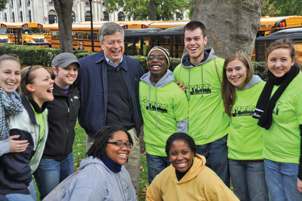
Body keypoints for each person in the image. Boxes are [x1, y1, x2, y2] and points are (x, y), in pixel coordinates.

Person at [77, 22, 144, 193]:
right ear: (102, 44)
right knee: (98, 184)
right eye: (111, 43)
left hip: (129, 135)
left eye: (119, 42)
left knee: (130, 183)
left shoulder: (134, 66)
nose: (116, 47)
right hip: (99, 135)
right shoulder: (85, 67)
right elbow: (67, 88)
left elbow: (151, 89)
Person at [173, 20, 230, 186]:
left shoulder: (221, 66)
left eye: (196, 38)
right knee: (195, 189)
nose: (192, 43)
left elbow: (243, 83)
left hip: (218, 140)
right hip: (192, 142)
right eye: (188, 39)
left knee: (219, 188)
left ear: (205, 40)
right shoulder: (178, 72)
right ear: (184, 42)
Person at [253, 38, 302, 200]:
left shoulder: (299, 86)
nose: (278, 64)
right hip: (270, 159)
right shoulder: (272, 83)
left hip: (293, 163)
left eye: (283, 60)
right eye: (273, 60)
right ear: (267, 61)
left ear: (293, 61)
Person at [0, 65, 54, 200]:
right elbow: (15, 158)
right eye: (46, 79)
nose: (52, 81)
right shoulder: (21, 115)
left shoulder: (42, 111)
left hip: (23, 173)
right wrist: (23, 181)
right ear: (31, 87)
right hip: (12, 179)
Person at [44, 124, 136, 201]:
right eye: (118, 143)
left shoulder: (121, 170)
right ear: (103, 145)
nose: (125, 148)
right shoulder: (92, 179)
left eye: (127, 144)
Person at [221, 52, 268, 201]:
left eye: (238, 69)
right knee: (239, 198)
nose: (234, 74)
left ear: (247, 69)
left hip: (257, 158)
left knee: (258, 198)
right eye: (229, 70)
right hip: (234, 157)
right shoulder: (228, 92)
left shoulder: (264, 89)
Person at [33, 53, 81, 199]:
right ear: (55, 70)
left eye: (74, 69)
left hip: (68, 156)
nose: (72, 73)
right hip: (47, 160)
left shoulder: (75, 91)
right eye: (67, 68)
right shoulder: (45, 93)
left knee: (67, 195)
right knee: (51, 197)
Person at [140, 46, 188, 183]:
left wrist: (180, 150)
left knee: (176, 189)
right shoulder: (141, 86)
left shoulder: (176, 91)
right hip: (152, 150)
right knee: (157, 189)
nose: (155, 61)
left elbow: (182, 123)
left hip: (173, 151)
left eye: (161, 58)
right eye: (151, 58)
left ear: (167, 63)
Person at [146, 132, 239, 201]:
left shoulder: (207, 178)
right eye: (174, 153)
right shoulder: (164, 176)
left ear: (193, 153)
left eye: (184, 152)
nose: (179, 157)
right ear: (168, 156)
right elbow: (151, 196)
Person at [0, 55, 28, 157]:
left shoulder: (14, 100)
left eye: (17, 73)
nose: (13, 78)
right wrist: (5, 146)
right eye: (7, 72)